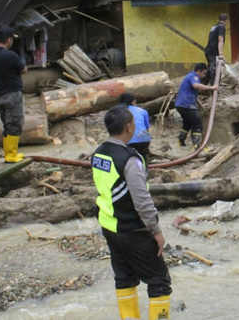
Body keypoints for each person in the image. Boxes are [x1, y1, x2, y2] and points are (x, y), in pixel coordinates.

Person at [91, 105, 172, 320]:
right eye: (134, 124)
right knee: (159, 281)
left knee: (124, 278)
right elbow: (142, 200)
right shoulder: (130, 159)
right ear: (128, 127)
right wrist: (156, 230)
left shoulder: (99, 153)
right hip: (133, 230)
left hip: (109, 226)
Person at [0, 26, 27, 163]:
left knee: (6, 123)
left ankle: (7, 153)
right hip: (13, 92)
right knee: (15, 122)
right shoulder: (11, 55)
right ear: (8, 40)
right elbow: (24, 69)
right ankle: (11, 154)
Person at [175, 63, 217, 149]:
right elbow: (196, 86)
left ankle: (181, 141)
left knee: (187, 123)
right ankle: (197, 146)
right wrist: (212, 87)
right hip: (186, 105)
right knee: (197, 124)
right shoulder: (194, 77)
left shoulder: (189, 76)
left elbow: (193, 94)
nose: (204, 76)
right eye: (204, 73)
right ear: (199, 72)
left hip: (180, 105)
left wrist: (201, 105)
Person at [118, 93, 152, 165]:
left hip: (128, 141)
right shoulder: (143, 111)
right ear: (133, 102)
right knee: (144, 156)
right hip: (144, 139)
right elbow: (148, 129)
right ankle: (144, 170)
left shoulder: (119, 112)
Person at [204, 13, 228, 84]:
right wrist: (221, 54)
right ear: (226, 21)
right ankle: (214, 89)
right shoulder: (221, 27)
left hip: (209, 51)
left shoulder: (214, 26)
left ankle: (203, 86)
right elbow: (220, 40)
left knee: (210, 69)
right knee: (215, 71)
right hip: (213, 52)